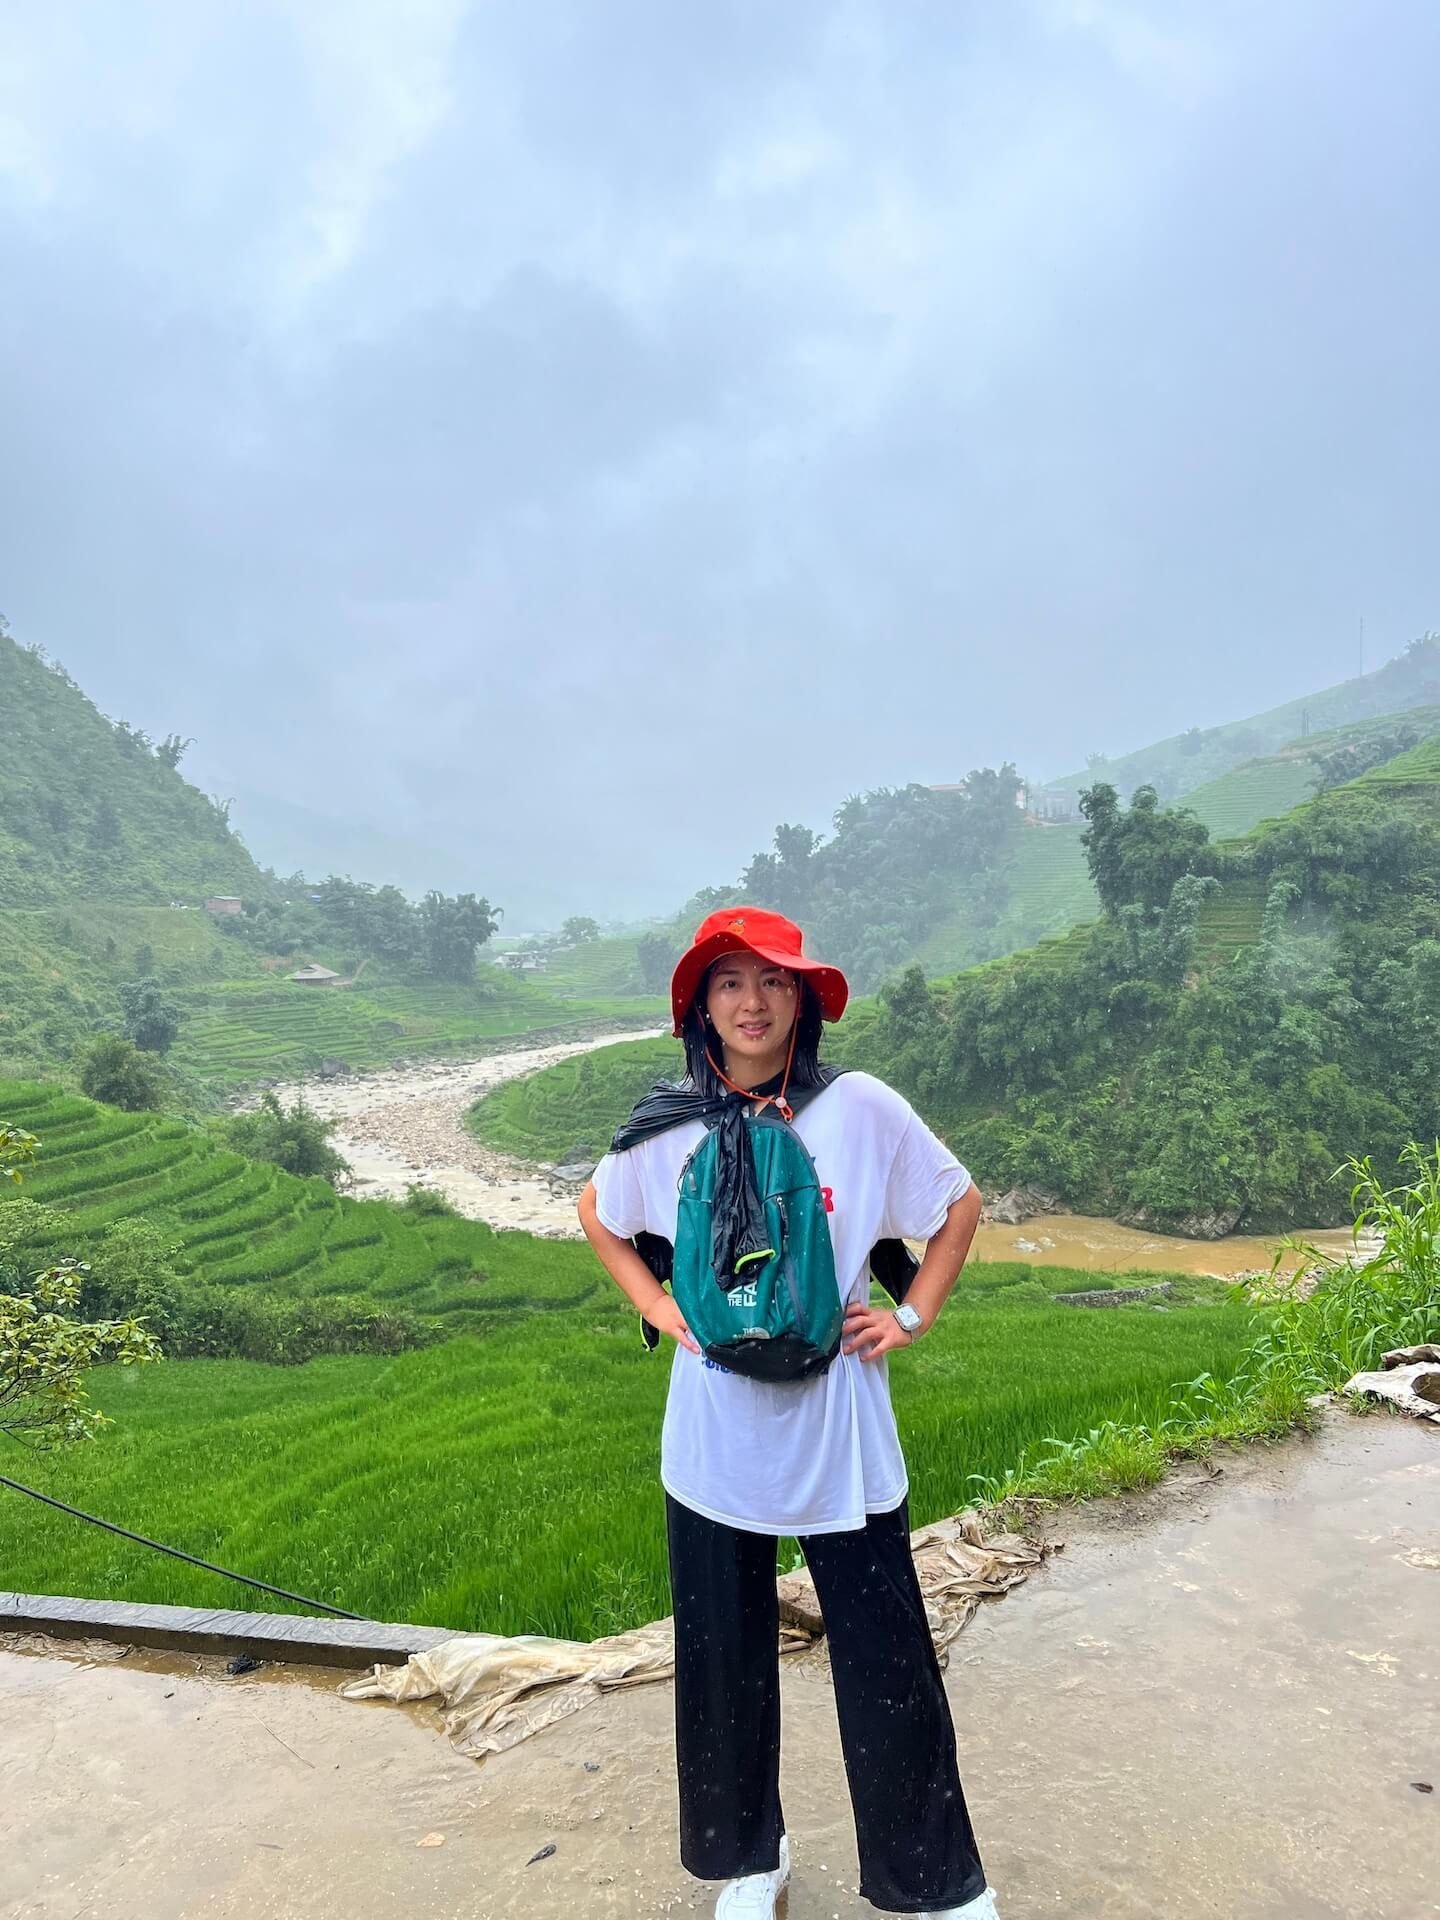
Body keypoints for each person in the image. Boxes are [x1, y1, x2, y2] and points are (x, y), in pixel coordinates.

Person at [578, 907, 1000, 1919]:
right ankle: (748, 1862)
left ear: (802, 1000)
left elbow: (957, 1204)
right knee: (721, 1655)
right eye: (729, 982)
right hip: (714, 1435)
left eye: (773, 981)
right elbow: (598, 1209)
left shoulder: (856, 1107)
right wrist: (657, 1305)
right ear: (702, 1008)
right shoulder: (669, 1119)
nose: (752, 1001)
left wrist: (910, 1314)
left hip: (838, 1431)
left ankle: (934, 1883)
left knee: (887, 1655)